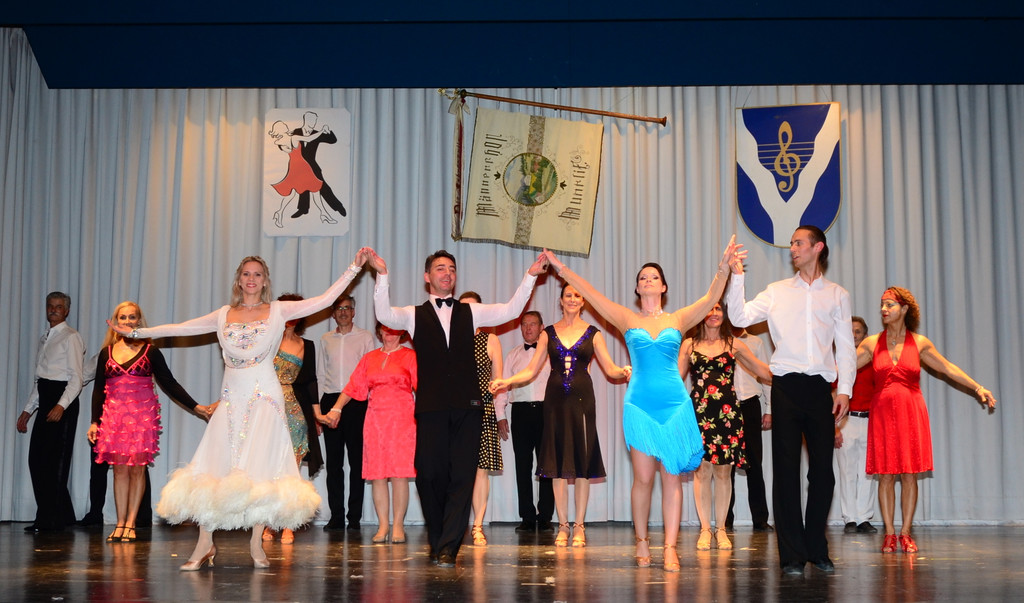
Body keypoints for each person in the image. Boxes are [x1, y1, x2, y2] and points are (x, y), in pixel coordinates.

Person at [110, 253, 366, 570]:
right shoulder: (224, 314)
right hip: (232, 398)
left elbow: (324, 299)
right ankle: (205, 543)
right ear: (239, 279)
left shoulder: (278, 311)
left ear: (265, 280)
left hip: (265, 397)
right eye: (246, 273)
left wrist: (355, 267)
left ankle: (256, 543)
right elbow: (182, 328)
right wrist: (136, 333)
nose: (251, 279)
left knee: (261, 469)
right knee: (215, 466)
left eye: (257, 274)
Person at [533, 239, 742, 572]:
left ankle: (670, 547)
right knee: (643, 479)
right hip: (640, 405)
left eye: (653, 277)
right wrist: (560, 269)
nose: (648, 280)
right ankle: (642, 541)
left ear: (663, 286)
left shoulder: (678, 319)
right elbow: (591, 294)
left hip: (674, 405)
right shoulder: (626, 318)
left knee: (672, 479)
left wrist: (723, 268)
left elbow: (710, 298)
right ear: (637, 287)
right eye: (643, 277)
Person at [365, 247, 547, 568]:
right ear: (427, 277)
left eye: (451, 268)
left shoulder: (471, 312)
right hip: (431, 407)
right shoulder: (413, 314)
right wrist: (382, 275)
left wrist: (530, 276)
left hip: (468, 406)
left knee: (463, 476)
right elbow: (384, 315)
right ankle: (438, 537)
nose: (447, 273)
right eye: (440, 268)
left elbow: (510, 309)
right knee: (429, 475)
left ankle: (449, 545)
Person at [724, 225, 855, 576]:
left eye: (799, 243)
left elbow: (845, 347)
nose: (793, 249)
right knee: (785, 472)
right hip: (785, 387)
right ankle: (792, 555)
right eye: (792, 244)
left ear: (818, 247)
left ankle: (817, 547)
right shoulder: (777, 291)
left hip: (820, 389)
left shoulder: (837, 295)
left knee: (823, 473)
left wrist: (845, 389)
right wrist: (737, 277)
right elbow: (738, 317)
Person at [490, 283, 631, 550]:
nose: (573, 299)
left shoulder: (594, 333)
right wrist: (506, 381)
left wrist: (624, 371)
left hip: (583, 401)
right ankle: (563, 525)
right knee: (556, 466)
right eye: (568, 295)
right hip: (554, 402)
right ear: (561, 300)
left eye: (577, 295)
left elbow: (610, 368)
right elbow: (531, 370)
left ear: (583, 301)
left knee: (582, 465)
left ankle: (579, 525)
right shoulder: (548, 333)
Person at [857, 287, 996, 554]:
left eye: (890, 304)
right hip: (882, 413)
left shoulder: (919, 343)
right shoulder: (872, 343)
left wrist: (978, 387)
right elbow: (844, 368)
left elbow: (948, 368)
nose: (884, 309)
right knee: (885, 475)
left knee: (909, 474)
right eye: (882, 304)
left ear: (904, 309)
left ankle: (906, 533)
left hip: (911, 411)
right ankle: (889, 534)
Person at [87, 301, 215, 543]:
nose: (127, 321)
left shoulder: (151, 352)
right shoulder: (106, 352)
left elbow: (169, 383)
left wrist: (197, 407)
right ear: (116, 322)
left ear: (139, 321)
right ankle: (120, 522)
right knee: (119, 472)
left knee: (137, 470)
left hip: (141, 418)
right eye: (122, 317)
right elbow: (98, 390)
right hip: (114, 419)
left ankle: (131, 523)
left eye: (132, 317)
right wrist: (95, 422)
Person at [681, 303, 772, 551]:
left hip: (728, 413)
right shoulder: (689, 344)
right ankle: (705, 529)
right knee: (702, 471)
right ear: (701, 315)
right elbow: (676, 378)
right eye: (709, 309)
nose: (714, 314)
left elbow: (762, 370)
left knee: (723, 472)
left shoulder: (734, 344)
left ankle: (721, 529)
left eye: (718, 309)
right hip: (698, 412)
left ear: (725, 315)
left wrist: (793, 374)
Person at [323, 322, 417, 544]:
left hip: (402, 421)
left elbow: (424, 388)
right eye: (385, 328)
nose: (389, 333)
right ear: (379, 331)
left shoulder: (410, 356)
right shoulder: (369, 358)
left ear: (402, 332)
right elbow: (352, 386)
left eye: (394, 329)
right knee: (377, 475)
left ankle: (398, 526)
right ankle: (383, 526)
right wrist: (336, 408)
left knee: (399, 474)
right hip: (375, 421)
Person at [17, 291, 85, 532]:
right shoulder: (45, 337)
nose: (53, 309)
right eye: (50, 306)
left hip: (62, 400)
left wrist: (61, 405)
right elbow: (40, 380)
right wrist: (27, 410)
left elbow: (76, 378)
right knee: (37, 460)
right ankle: (60, 514)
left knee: (56, 463)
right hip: (46, 397)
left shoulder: (71, 337)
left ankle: (50, 520)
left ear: (66, 311)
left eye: (58, 306)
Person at [262, 293, 325, 544]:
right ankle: (268, 522)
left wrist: (317, 414)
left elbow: (310, 382)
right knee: (270, 469)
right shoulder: (266, 340)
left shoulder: (307, 345)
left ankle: (288, 524)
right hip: (268, 409)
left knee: (291, 470)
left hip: (295, 411)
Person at [317, 294, 376, 531]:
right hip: (330, 401)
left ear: (354, 312)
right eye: (338, 308)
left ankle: (354, 518)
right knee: (334, 464)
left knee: (357, 462)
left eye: (347, 308)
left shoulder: (365, 337)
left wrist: (370, 405)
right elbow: (321, 374)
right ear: (333, 314)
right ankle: (336, 517)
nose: (343, 312)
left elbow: (370, 373)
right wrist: (318, 412)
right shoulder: (325, 339)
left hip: (357, 402)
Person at [458, 292, 507, 547]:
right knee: (454, 471)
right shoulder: (449, 340)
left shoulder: (490, 339)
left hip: (481, 410)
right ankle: (454, 525)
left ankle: (477, 525)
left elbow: (498, 380)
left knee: (480, 471)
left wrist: (498, 412)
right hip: (453, 411)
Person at [502, 310, 555, 533]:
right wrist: (500, 415)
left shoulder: (552, 354)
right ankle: (527, 516)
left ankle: (545, 516)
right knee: (522, 465)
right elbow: (503, 386)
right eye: (524, 324)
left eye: (533, 324)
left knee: (547, 466)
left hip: (546, 411)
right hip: (521, 412)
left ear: (542, 327)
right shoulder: (513, 355)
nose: (528, 328)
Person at [725, 327, 773, 532]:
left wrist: (769, 408)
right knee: (725, 465)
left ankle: (760, 519)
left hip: (750, 405)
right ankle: (725, 519)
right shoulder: (719, 341)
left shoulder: (756, 342)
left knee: (754, 462)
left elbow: (766, 376)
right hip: (725, 406)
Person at [836, 316, 878, 535]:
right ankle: (850, 518)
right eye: (850, 331)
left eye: (858, 331)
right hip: (846, 421)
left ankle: (864, 517)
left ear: (865, 335)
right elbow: (831, 393)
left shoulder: (873, 361)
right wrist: (834, 426)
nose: (853, 335)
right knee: (847, 471)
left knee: (868, 472)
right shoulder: (838, 361)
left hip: (870, 421)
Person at [267, 120, 335, 226]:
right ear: (283, 129)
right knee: (314, 189)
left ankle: (279, 213)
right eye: (284, 126)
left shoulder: (279, 142)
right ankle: (324, 214)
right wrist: (321, 131)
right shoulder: (294, 138)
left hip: (294, 166)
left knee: (295, 193)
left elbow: (289, 151)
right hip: (303, 166)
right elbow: (309, 138)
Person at [290, 111, 347, 219]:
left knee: (323, 187)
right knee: (303, 188)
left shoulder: (317, 133)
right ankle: (303, 209)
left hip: (313, 166)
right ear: (306, 119)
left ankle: (338, 206)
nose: (314, 122)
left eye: (315, 120)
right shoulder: (296, 132)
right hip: (301, 167)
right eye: (312, 120)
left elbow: (333, 140)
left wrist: (328, 130)